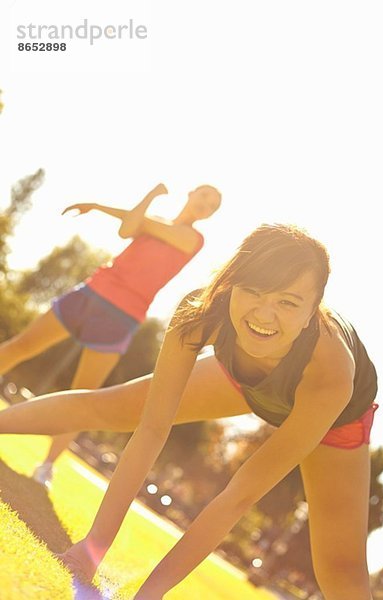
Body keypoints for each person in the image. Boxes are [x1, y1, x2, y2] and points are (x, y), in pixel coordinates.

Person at [0, 224, 378, 599]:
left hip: (337, 420)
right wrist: (91, 549)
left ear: (314, 310)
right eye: (252, 291)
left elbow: (239, 495)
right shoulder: (202, 312)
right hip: (244, 375)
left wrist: (152, 593)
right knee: (112, 407)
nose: (264, 314)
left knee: (340, 572)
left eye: (288, 302)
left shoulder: (330, 375)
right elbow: (152, 429)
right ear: (233, 282)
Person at [0, 182, 221, 486]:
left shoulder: (192, 238)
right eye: (204, 196)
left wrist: (106, 207)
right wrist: (138, 198)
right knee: (21, 345)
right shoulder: (154, 221)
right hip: (92, 292)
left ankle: (47, 466)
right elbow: (127, 228)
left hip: (122, 314)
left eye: (211, 206)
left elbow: (137, 223)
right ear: (192, 192)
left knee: (83, 394)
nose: (205, 204)